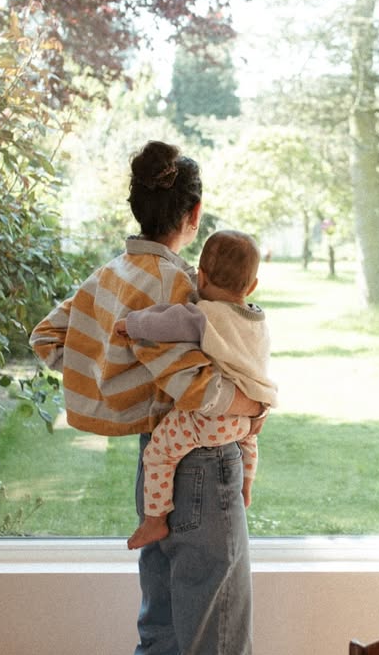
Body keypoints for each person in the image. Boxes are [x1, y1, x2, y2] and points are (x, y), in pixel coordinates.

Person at [30, 140, 266, 655]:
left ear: (140, 207)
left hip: (155, 466)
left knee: (161, 629)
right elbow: (195, 386)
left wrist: (123, 396)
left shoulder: (110, 276)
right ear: (191, 216)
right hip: (201, 468)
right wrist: (251, 402)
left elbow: (48, 340)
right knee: (216, 651)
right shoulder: (180, 287)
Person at [117, 228, 277, 550]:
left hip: (208, 421)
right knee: (249, 443)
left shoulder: (204, 316)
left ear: (200, 278)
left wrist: (130, 324)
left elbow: (165, 322)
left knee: (159, 452)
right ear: (253, 286)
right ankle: (245, 487)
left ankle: (155, 521)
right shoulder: (258, 321)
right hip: (247, 421)